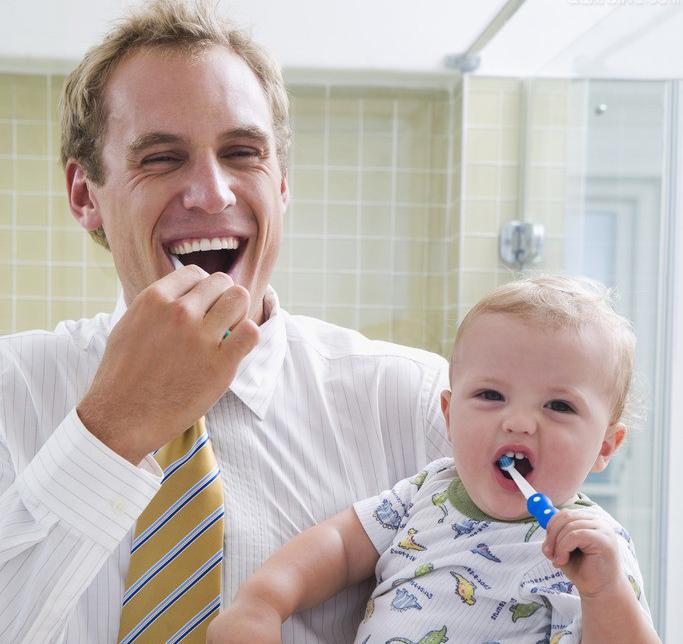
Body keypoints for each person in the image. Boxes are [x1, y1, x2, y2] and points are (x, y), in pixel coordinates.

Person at [0, 1, 449, 642]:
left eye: (242, 152)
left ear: (282, 184)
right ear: (84, 194)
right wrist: (111, 430)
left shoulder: (418, 405)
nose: (213, 193)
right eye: (161, 157)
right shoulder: (8, 391)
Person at [207, 276, 661, 644]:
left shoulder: (591, 552)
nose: (519, 422)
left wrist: (604, 592)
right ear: (448, 416)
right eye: (491, 395)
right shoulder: (429, 490)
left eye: (559, 406)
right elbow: (341, 547)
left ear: (605, 446)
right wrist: (263, 602)